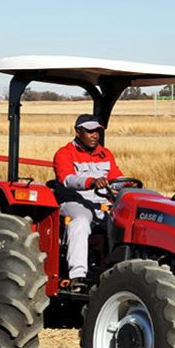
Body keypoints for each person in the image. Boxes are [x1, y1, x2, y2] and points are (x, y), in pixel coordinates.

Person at [53, 114, 124, 291]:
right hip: (73, 202)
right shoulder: (64, 153)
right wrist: (91, 181)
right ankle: (78, 276)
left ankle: (116, 271)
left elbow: (116, 176)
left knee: (122, 223)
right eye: (90, 131)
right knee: (82, 221)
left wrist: (128, 184)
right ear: (78, 132)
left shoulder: (104, 154)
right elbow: (67, 179)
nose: (95, 135)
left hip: (101, 203)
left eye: (97, 131)